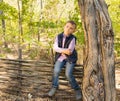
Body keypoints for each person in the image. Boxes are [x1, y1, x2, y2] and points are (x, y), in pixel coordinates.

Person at [48, 21, 82, 100]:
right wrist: (63, 50)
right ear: (64, 26)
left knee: (68, 74)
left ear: (73, 31)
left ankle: (77, 89)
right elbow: (55, 48)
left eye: (71, 28)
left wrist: (60, 50)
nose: (68, 29)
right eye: (67, 26)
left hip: (70, 58)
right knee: (56, 71)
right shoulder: (58, 36)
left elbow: (69, 52)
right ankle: (54, 86)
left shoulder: (73, 38)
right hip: (61, 57)